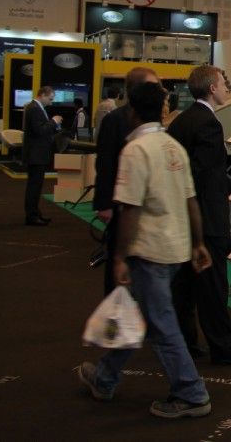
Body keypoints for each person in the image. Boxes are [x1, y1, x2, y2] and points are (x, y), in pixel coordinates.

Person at [78, 80, 213, 419]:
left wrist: (119, 256)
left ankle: (192, 393)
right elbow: (191, 200)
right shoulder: (173, 147)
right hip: (176, 247)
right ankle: (104, 378)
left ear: (132, 110)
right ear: (163, 110)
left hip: (149, 250)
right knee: (136, 315)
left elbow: (130, 209)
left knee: (160, 323)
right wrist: (198, 243)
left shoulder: (135, 150)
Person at [168, 65, 231, 366]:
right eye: (223, 83)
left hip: (183, 217)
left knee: (183, 287)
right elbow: (204, 177)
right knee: (213, 288)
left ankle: (186, 343)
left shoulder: (181, 121)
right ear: (211, 88)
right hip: (206, 220)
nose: (226, 88)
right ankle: (223, 348)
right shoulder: (208, 123)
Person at [94, 67, 159, 295]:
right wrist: (104, 203)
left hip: (145, 206)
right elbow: (105, 162)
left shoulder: (154, 120)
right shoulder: (114, 120)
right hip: (120, 203)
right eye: (152, 85)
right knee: (117, 258)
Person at [21, 86, 62, 226]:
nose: (51, 102)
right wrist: (54, 121)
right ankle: (32, 216)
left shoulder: (35, 108)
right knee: (34, 187)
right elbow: (40, 131)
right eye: (50, 99)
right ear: (42, 95)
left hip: (37, 154)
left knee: (35, 187)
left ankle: (35, 214)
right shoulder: (34, 108)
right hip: (36, 155)